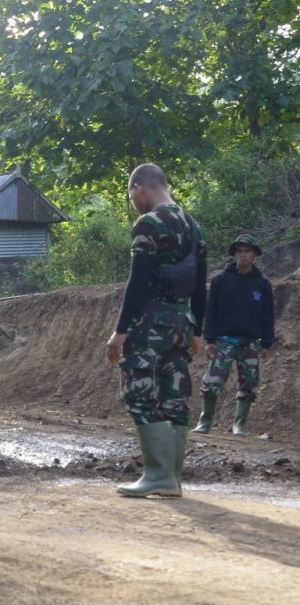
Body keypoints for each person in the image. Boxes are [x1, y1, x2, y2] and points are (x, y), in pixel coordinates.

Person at [106, 163, 207, 498]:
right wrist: (197, 331)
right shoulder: (195, 228)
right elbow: (199, 286)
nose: (133, 201)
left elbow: (138, 282)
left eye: (131, 195)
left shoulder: (149, 224)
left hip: (149, 324)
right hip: (182, 324)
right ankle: (172, 479)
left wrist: (120, 331)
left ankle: (158, 474)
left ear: (140, 188)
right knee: (174, 397)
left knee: (138, 393)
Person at [192, 234, 274, 436]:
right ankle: (205, 421)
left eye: (247, 251)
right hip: (224, 340)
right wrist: (209, 339)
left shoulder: (262, 283)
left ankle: (239, 425)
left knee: (249, 384)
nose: (243, 255)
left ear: (254, 254)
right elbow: (211, 311)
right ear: (234, 254)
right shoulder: (221, 279)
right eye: (239, 252)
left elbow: (267, 315)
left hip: (251, 342)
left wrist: (266, 343)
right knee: (212, 382)